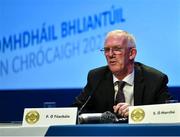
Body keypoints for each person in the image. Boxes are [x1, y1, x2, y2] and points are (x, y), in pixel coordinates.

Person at [73, 29, 171, 118]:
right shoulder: (96, 77)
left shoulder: (155, 79)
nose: (110, 55)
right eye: (107, 50)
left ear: (132, 53)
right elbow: (77, 110)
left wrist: (135, 112)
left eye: (117, 49)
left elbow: (169, 113)